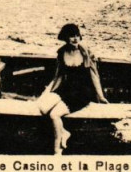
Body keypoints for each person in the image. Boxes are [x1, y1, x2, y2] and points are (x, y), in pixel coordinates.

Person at [41, 24, 108, 154]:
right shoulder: (61, 52)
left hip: (83, 92)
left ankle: (57, 150)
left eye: (77, 35)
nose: (75, 39)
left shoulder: (85, 52)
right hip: (66, 90)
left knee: (54, 114)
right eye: (72, 36)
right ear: (65, 37)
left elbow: (94, 75)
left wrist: (100, 96)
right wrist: (51, 92)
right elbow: (59, 76)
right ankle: (63, 131)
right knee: (44, 108)